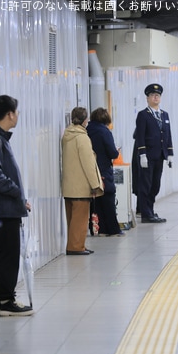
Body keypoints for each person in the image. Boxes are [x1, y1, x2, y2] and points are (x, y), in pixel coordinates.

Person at [0, 95, 33, 316]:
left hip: (7, 207)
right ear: (10, 114)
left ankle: (7, 297)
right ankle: (5, 302)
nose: (17, 115)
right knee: (5, 255)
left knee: (9, 254)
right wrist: (16, 193)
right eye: (16, 111)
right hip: (2, 208)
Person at [61, 107, 104, 255]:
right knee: (80, 219)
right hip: (80, 185)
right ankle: (76, 247)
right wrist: (95, 184)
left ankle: (75, 245)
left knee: (72, 219)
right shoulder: (82, 138)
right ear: (85, 120)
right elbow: (88, 164)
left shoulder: (67, 135)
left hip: (69, 186)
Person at [134, 83, 173, 223]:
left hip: (160, 155)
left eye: (157, 95)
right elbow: (140, 136)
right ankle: (145, 213)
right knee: (146, 184)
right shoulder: (143, 115)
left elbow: (168, 135)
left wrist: (170, 154)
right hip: (148, 156)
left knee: (155, 185)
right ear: (147, 98)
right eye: (152, 95)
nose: (155, 97)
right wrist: (142, 154)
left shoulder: (164, 115)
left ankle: (150, 210)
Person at [87, 108, 123, 237]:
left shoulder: (87, 130)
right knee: (108, 198)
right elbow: (112, 152)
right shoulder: (104, 131)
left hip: (90, 169)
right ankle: (113, 229)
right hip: (103, 169)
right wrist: (116, 151)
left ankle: (101, 229)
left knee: (98, 200)